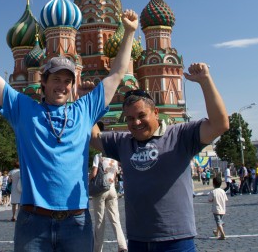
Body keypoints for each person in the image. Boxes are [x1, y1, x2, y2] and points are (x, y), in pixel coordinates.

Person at [0, 2, 138, 251]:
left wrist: (129, 32)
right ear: (43, 82)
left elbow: (117, 74)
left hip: (76, 220)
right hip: (33, 220)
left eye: (68, 81)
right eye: (56, 79)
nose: (62, 86)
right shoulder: (24, 110)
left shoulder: (84, 110)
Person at [91, 62, 229, 251]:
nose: (136, 122)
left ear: (156, 112)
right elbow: (95, 138)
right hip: (138, 240)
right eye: (130, 118)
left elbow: (220, 125)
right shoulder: (123, 142)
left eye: (141, 115)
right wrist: (86, 100)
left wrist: (205, 81)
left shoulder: (180, 135)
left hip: (176, 239)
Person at [91, 152, 127, 252]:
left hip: (100, 190)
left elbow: (94, 173)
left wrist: (88, 180)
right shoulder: (115, 158)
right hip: (111, 189)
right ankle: (122, 246)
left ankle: (98, 249)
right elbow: (115, 175)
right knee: (116, 219)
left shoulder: (98, 156)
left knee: (100, 221)